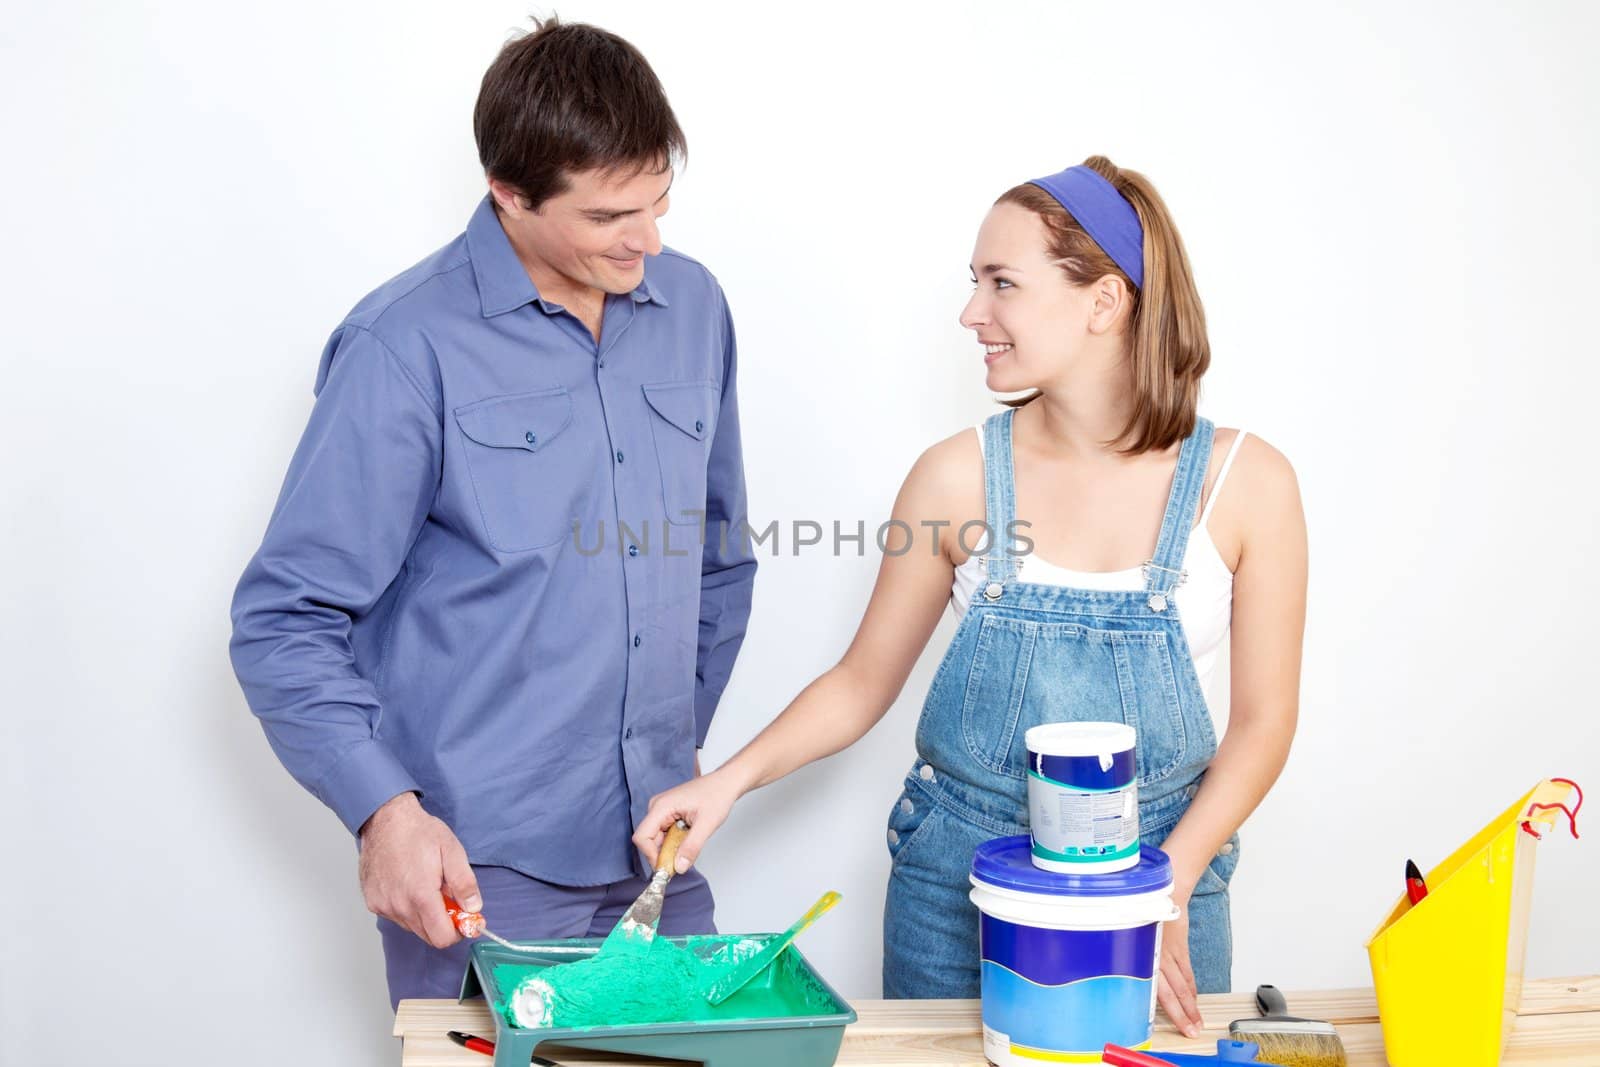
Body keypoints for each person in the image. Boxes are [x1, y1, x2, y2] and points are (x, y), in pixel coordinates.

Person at [633, 156, 1306, 1034]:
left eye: (1003, 284)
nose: (970, 313)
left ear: (1105, 301)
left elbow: (1265, 725)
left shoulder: (1247, 483)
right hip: (959, 890)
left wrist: (1162, 890)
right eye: (973, 282)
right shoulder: (954, 479)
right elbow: (861, 681)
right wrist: (725, 782)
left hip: (1162, 880)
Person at [229, 18, 756, 1008]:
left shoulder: (694, 305)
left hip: (656, 845)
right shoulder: (403, 344)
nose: (646, 239)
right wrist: (385, 811)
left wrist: (668, 734)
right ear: (508, 195)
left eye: (658, 202)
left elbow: (718, 554)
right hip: (481, 865)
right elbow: (284, 618)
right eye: (608, 217)